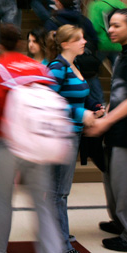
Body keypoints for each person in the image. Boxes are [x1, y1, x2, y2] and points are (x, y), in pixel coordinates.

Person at [0, 23, 63, 253]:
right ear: (20, 42)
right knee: (42, 204)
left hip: (7, 145)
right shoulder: (38, 67)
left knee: (3, 201)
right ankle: (52, 249)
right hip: (39, 143)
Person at [47, 24, 103, 253]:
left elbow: (78, 95)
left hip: (73, 133)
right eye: (79, 39)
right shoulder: (57, 67)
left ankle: (60, 235)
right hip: (62, 135)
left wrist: (94, 107)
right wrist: (81, 114)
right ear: (65, 44)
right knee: (58, 192)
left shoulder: (73, 64)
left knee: (60, 191)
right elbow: (49, 102)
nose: (84, 42)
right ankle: (61, 243)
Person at [85, 8, 127, 251]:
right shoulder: (121, 56)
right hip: (114, 130)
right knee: (112, 181)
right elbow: (120, 93)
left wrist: (107, 121)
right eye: (110, 25)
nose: (110, 30)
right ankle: (119, 222)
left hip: (123, 133)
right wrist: (107, 112)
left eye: (116, 26)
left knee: (123, 184)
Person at [88, 0, 126, 66]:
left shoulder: (96, 5)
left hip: (101, 43)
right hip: (118, 44)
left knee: (92, 69)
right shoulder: (121, 4)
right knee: (118, 68)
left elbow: (94, 27)